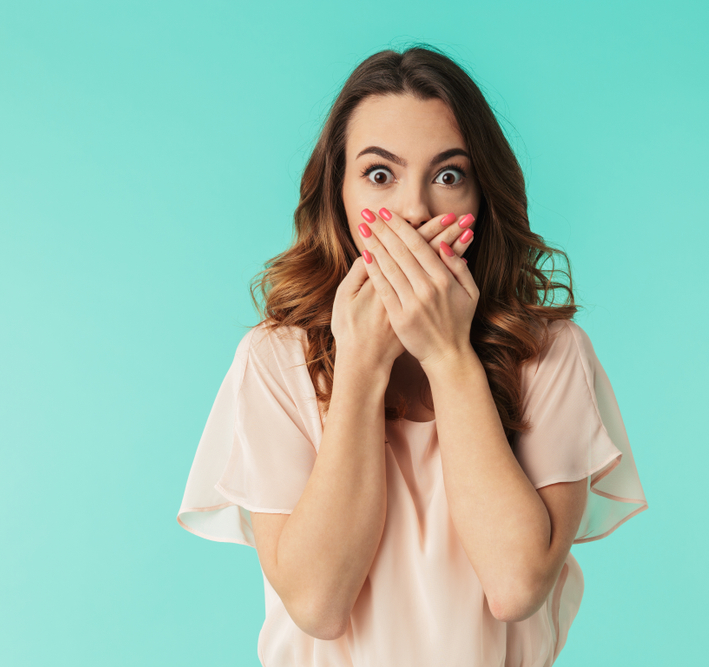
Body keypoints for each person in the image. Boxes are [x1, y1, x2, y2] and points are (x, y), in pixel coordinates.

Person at [176, 44, 648, 666]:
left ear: (481, 196)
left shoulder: (550, 355)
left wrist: (450, 356)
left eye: (448, 176)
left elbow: (517, 587)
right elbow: (317, 605)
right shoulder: (274, 360)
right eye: (379, 175)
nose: (416, 210)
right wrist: (363, 367)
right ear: (337, 196)